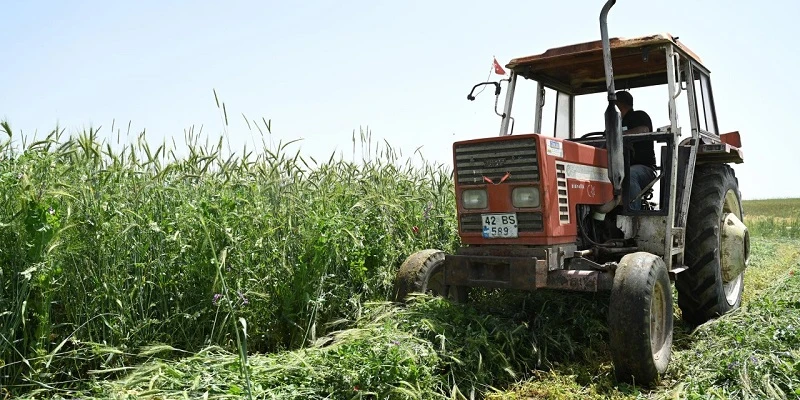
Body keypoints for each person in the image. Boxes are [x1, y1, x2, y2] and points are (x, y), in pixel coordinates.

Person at [614, 90, 656, 211]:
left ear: (619, 104)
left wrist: (618, 134)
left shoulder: (638, 116)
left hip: (645, 169)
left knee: (629, 175)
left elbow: (644, 130)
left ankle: (633, 216)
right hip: (619, 168)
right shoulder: (616, 123)